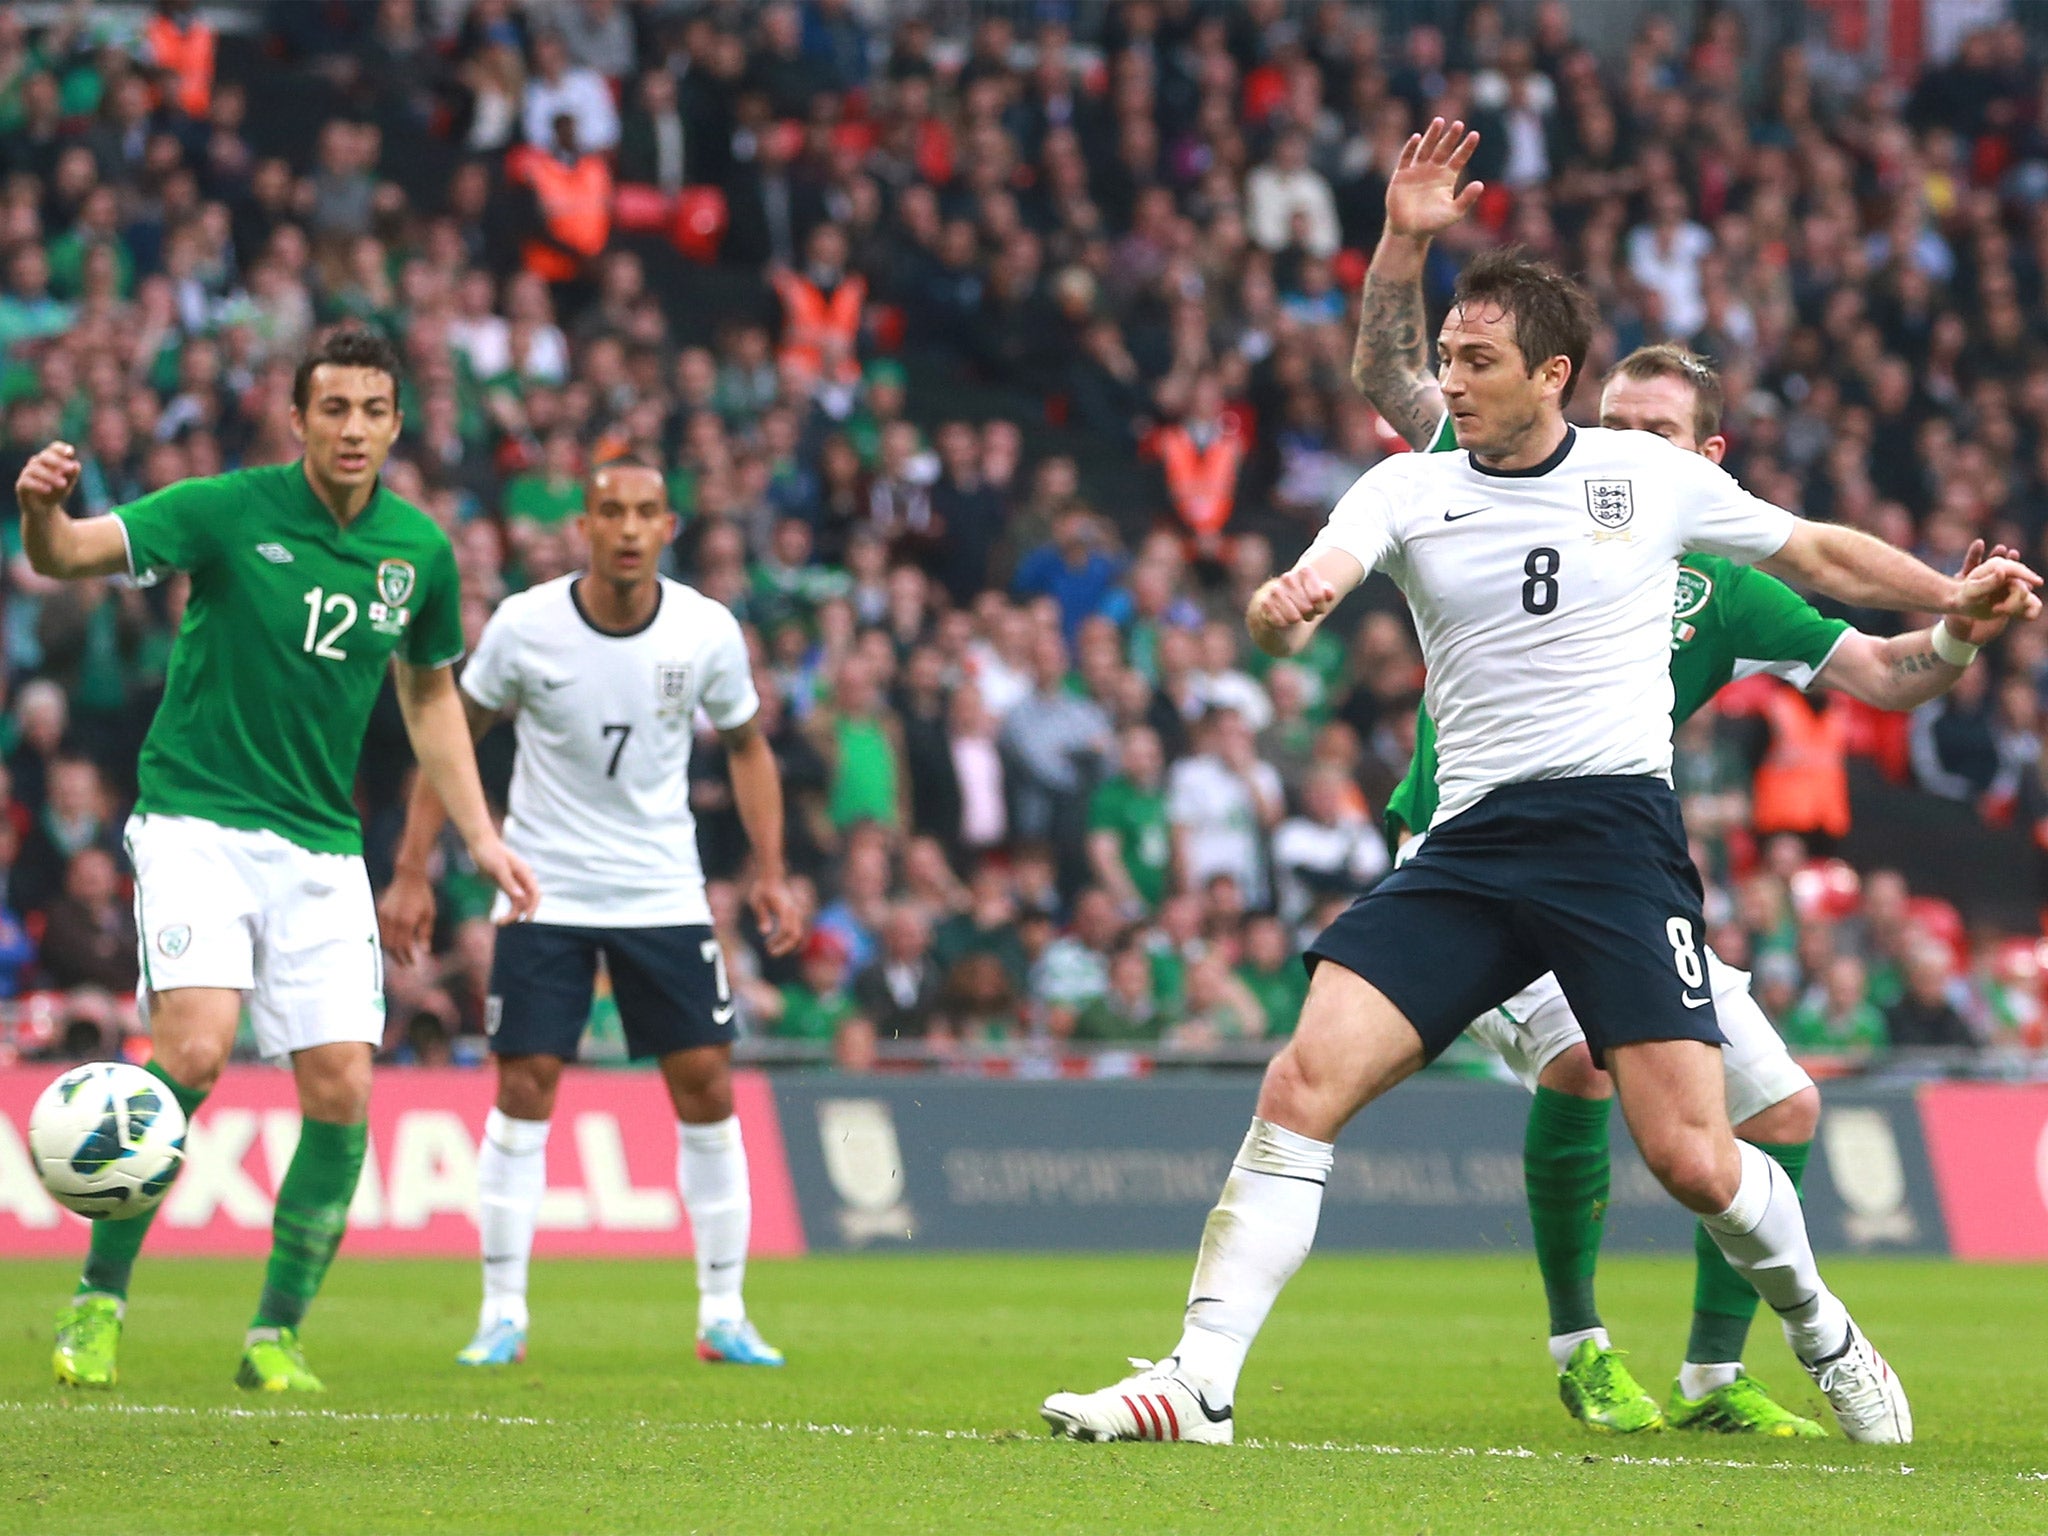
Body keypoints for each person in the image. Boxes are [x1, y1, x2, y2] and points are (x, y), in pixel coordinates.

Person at [1038, 119, 2038, 1449]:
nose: (1449, 378)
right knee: (1302, 1082)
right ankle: (1199, 1380)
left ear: (1549, 375)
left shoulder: (1652, 485)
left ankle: (1817, 1326)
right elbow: (1322, 574)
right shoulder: (1414, 483)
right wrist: (1291, 608)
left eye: (1476, 359)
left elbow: (1826, 556)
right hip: (1463, 847)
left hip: (1614, 842)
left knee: (1695, 1156)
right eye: (1447, 356)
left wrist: (1955, 599)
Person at [1354, 131, 2023, 1436]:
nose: (1623, 448)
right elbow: (1388, 369)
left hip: (1611, 866)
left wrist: (1955, 628)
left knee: (1780, 1105)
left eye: (1655, 433)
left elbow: (1887, 679)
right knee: (1584, 1073)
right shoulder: (1496, 479)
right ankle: (1582, 1344)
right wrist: (1406, 241)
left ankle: (1716, 1378)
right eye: (1612, 424)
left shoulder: (1724, 582)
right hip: (1474, 852)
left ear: (1706, 457)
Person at [18, 328, 538, 1393]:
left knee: (343, 1087)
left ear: (398, 423)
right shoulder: (221, 510)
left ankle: (274, 1337)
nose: (353, 429)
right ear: (296, 418)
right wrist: (38, 507)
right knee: (197, 1054)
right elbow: (64, 556)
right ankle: (97, 1304)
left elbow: (432, 695)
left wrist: (478, 834)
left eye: (372, 411)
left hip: (321, 844)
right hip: (197, 820)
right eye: (333, 408)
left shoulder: (417, 552)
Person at [380, 459, 804, 1371]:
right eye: (609, 511)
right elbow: (450, 738)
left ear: (668, 526)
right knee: (525, 1082)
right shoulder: (526, 626)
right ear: (584, 524)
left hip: (661, 889)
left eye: (644, 513)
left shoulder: (707, 630)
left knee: (706, 1086)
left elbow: (747, 747)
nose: (624, 528)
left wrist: (769, 870)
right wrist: (413, 870)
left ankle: (724, 1312)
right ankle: (501, 1313)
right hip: (545, 887)